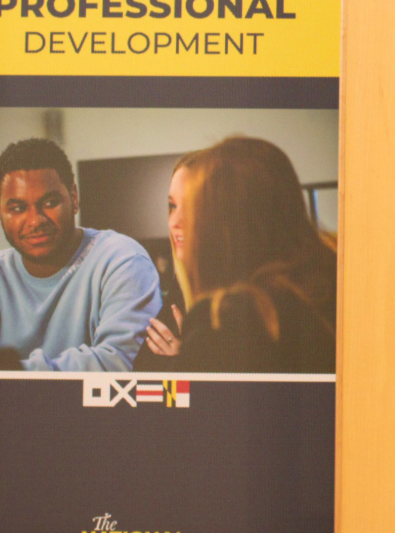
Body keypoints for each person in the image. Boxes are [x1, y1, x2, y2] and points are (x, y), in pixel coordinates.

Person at [0, 137, 164, 371]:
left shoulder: (122, 260)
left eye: (49, 202)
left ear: (74, 198)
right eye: (17, 208)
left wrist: (8, 371)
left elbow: (120, 363)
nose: (35, 220)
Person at [138, 136, 337, 373]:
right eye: (172, 206)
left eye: (196, 207)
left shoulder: (226, 316)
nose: (177, 222)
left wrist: (189, 361)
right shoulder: (326, 280)